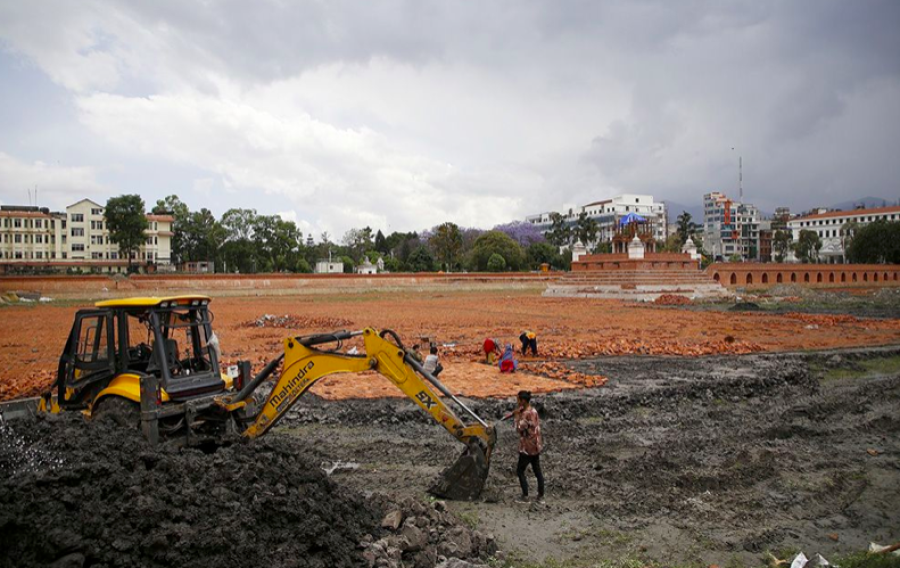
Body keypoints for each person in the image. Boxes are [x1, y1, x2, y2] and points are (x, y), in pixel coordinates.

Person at [512, 390, 544, 503]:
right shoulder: (534, 411)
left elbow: (519, 428)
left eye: (518, 400)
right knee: (537, 471)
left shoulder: (525, 414)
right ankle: (541, 496)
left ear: (523, 401)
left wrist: (516, 416)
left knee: (520, 470)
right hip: (536, 445)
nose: (517, 402)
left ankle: (525, 496)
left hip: (527, 447)